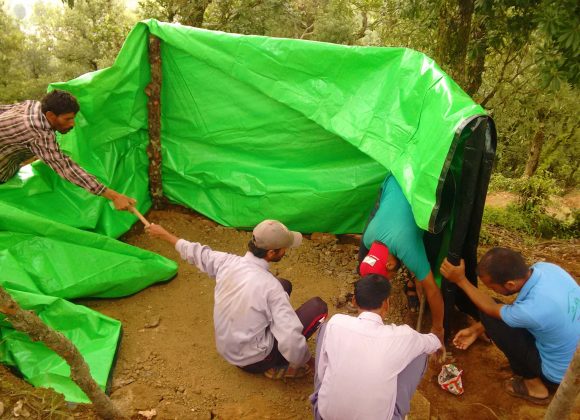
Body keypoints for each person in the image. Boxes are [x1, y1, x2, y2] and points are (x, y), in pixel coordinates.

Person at [146, 219, 328, 379]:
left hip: (229, 351)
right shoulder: (270, 288)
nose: (286, 251)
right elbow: (289, 338)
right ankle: (273, 366)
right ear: (271, 253)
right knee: (318, 307)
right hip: (255, 361)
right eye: (283, 249)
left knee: (283, 284)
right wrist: (307, 361)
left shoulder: (227, 262)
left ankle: (265, 349)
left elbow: (196, 253)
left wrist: (164, 235)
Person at [440, 247, 580, 405]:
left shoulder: (531, 310)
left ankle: (535, 387)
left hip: (561, 375)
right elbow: (521, 310)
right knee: (496, 311)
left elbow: (492, 310)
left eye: (492, 287)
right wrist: (477, 329)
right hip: (575, 358)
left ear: (510, 284)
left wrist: (460, 280)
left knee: (489, 311)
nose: (491, 290)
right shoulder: (548, 269)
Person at [311, 274, 440, 420]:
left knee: (325, 329)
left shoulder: (336, 323)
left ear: (354, 301)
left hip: (324, 415)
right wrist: (438, 344)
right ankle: (398, 412)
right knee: (420, 352)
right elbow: (432, 342)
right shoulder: (403, 336)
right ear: (387, 304)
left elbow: (322, 374)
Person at [0, 90, 135, 210]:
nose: (72, 124)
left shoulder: (33, 105)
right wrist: (114, 196)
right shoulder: (38, 133)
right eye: (68, 119)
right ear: (51, 116)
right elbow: (66, 168)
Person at [358, 174, 445, 348]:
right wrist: (417, 273)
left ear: (389, 265)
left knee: (434, 235)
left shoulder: (406, 247)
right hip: (395, 178)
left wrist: (438, 329)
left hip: (425, 179)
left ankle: (417, 277)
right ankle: (416, 277)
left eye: (387, 277)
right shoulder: (368, 238)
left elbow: (434, 292)